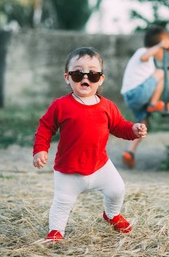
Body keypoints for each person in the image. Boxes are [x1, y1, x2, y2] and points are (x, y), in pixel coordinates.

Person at [33, 47, 147, 241]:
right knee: (62, 203)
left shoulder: (107, 106)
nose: (85, 78)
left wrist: (133, 129)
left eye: (93, 74)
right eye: (78, 73)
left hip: (100, 166)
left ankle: (111, 215)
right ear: (67, 77)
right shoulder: (61, 105)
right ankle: (56, 231)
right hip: (68, 170)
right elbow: (45, 127)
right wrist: (40, 149)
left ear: (101, 79)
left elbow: (119, 126)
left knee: (117, 190)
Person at [120, 25, 169, 169]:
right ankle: (153, 104)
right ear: (157, 46)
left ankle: (129, 152)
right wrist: (161, 45)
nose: (165, 52)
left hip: (131, 97)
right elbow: (145, 56)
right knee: (161, 73)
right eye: (165, 49)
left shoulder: (150, 63)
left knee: (143, 125)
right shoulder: (143, 52)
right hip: (136, 94)